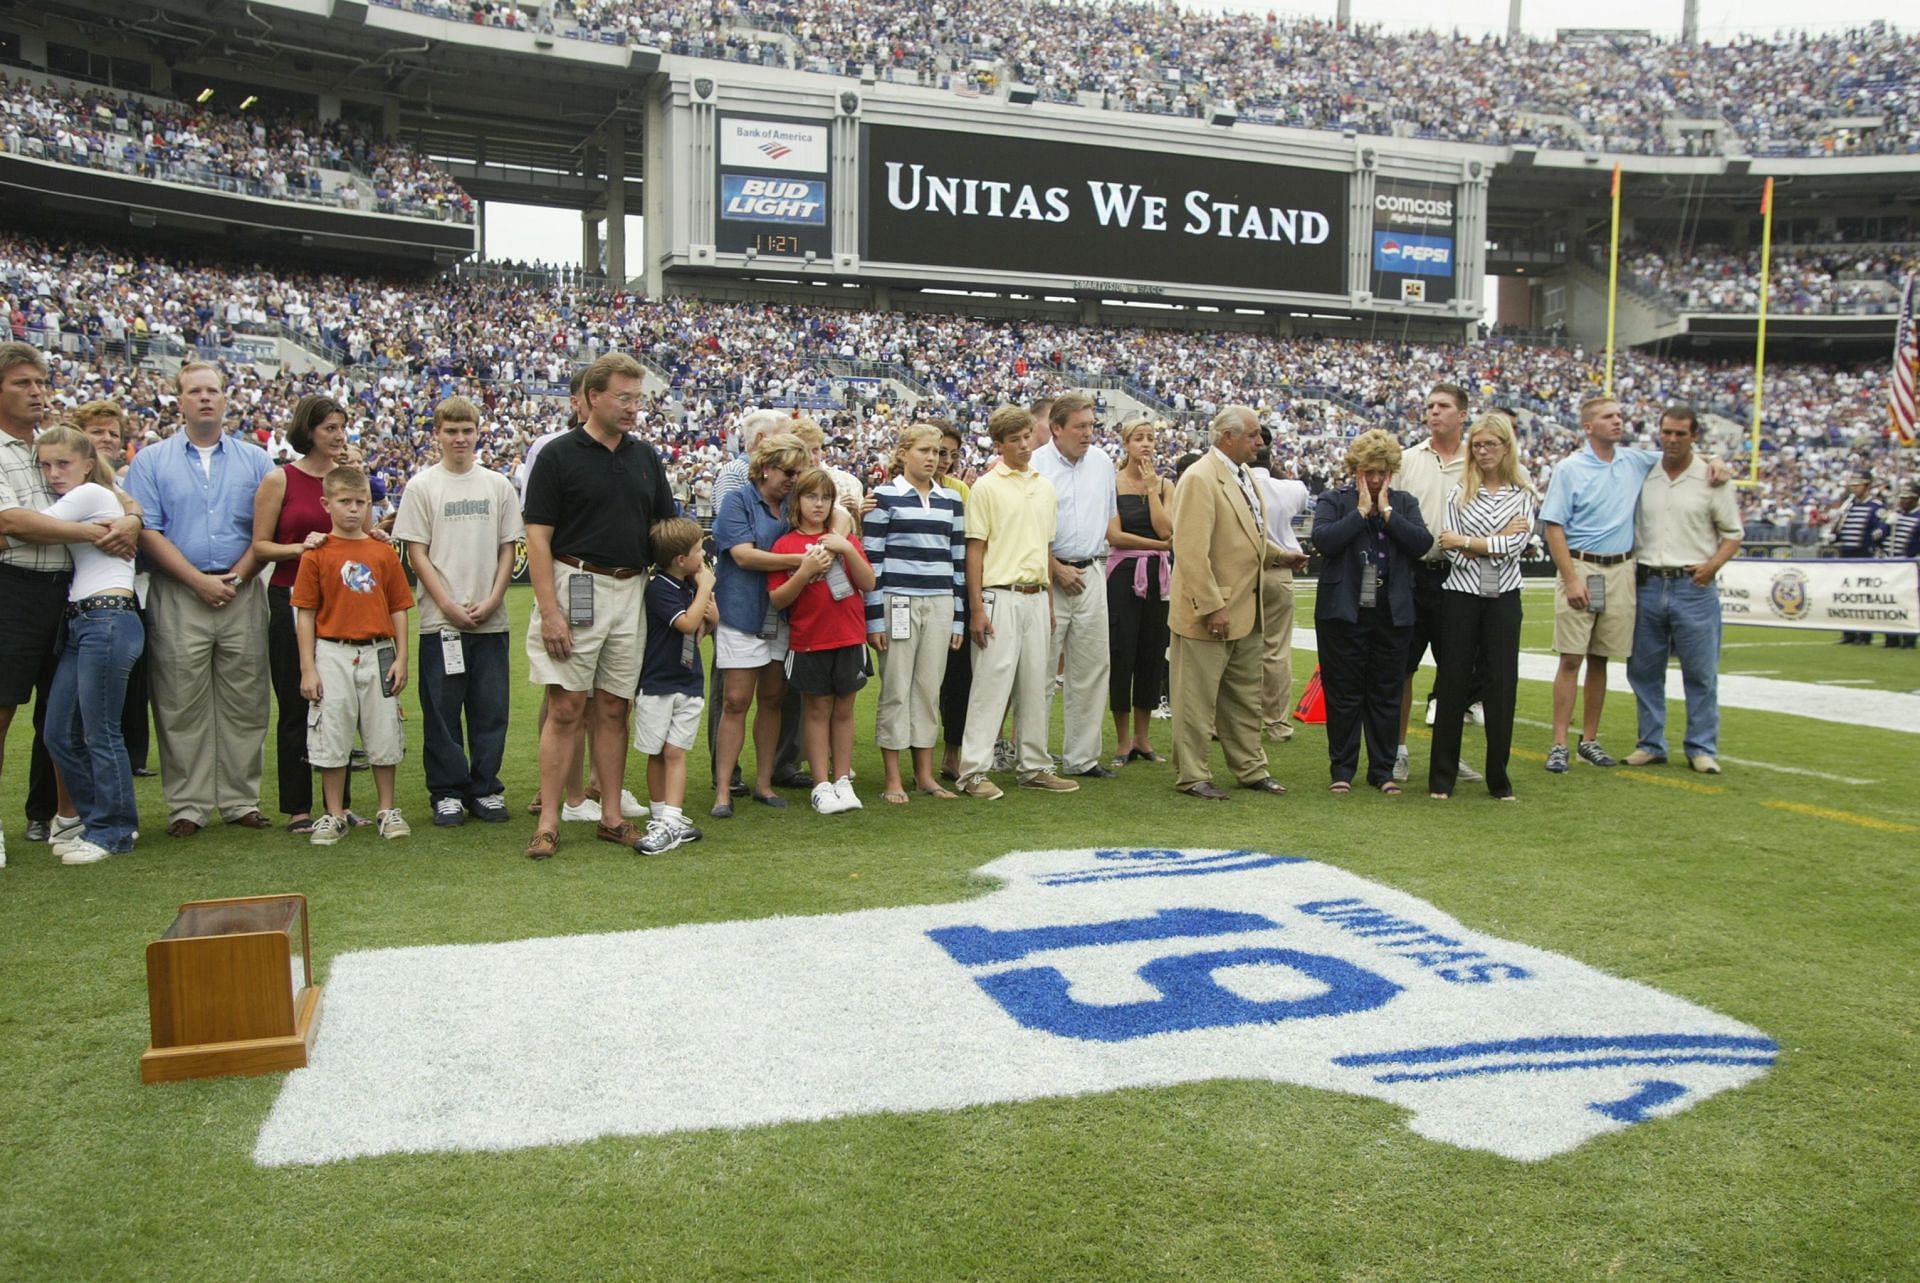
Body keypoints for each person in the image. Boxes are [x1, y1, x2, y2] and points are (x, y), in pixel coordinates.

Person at [519, 352, 677, 860]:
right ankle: (549, 820)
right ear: (592, 397)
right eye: (624, 397)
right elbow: (537, 539)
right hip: (574, 583)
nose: (634, 408)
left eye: (639, 398)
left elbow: (664, 530)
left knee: (614, 706)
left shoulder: (646, 457)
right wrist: (549, 610)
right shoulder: (558, 455)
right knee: (566, 706)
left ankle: (610, 816)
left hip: (630, 588)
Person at [0, 344, 142, 861]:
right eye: (22, 383)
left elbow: (26, 521)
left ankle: (91, 823)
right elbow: (12, 521)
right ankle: (86, 822)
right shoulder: (46, 465)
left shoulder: (68, 468)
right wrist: (109, 523)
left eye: (40, 382)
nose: (36, 391)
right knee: (33, 720)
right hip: (44, 603)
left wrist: (130, 519)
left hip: (86, 605)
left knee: (82, 725)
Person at [125, 360, 274, 837]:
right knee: (178, 701)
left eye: (213, 390)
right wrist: (197, 581)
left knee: (245, 699)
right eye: (195, 391)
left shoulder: (255, 461)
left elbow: (264, 531)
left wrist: (234, 577)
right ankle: (187, 806)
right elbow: (148, 531)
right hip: (178, 591)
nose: (205, 398)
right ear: (180, 400)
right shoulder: (151, 461)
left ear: (226, 399)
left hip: (242, 589)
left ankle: (239, 799)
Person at [393, 395, 524, 826]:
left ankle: (485, 788)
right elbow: (417, 553)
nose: (460, 438)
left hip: (491, 620)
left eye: (467, 430)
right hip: (440, 622)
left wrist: (493, 599)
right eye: (451, 431)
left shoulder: (497, 485)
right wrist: (447, 604)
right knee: (442, 712)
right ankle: (447, 791)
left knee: (490, 709)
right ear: (438, 435)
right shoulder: (422, 486)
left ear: (477, 432)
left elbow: (509, 549)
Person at [1166, 405, 1292, 800]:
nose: (1260, 442)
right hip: (1212, 611)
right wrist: (1211, 606)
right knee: (1195, 698)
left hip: (1245, 608)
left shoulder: (1241, 476)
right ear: (1228, 438)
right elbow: (1189, 549)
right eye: (1253, 435)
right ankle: (1193, 774)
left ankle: (1250, 768)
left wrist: (1277, 555)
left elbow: (1244, 534)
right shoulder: (1200, 478)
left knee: (1243, 696)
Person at [955, 405, 1078, 800]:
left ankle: (1035, 765)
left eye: (1027, 436)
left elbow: (1044, 546)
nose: (1024, 445)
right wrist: (976, 607)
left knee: (1036, 684)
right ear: (1000, 445)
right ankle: (973, 771)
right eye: (1015, 440)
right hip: (998, 596)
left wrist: (1050, 604)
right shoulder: (987, 487)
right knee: (991, 684)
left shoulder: (1044, 486)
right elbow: (975, 550)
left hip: (1037, 596)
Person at [1537, 396, 1664, 773]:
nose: (1618, 422)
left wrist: (1716, 463)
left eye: (1620, 416)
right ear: (1588, 427)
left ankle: (1588, 740)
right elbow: (1554, 526)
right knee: (1571, 658)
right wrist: (1571, 577)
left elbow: (1679, 461)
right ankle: (1559, 741)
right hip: (1583, 565)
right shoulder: (1570, 468)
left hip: (1621, 568)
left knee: (1601, 657)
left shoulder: (1634, 460)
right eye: (1609, 417)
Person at [36, 427, 143, 865]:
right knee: (58, 733)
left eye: (62, 463)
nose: (53, 473)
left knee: (99, 731)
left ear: (85, 462)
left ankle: (113, 830)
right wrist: (132, 512)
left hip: (107, 618)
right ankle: (97, 819)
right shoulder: (106, 496)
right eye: (45, 464)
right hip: (85, 621)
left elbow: (25, 524)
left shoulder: (89, 495)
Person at [292, 466, 414, 845]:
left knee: (383, 730)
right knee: (332, 729)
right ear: (327, 503)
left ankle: (386, 808)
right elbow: (306, 614)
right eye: (345, 502)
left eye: (361, 502)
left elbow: (399, 607)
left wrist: (402, 656)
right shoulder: (316, 554)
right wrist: (308, 667)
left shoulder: (381, 550)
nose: (353, 510)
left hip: (377, 648)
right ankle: (333, 813)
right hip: (333, 650)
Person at [250, 394, 355, 833]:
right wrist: (302, 547)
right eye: (329, 428)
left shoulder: (347, 478)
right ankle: (298, 807)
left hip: (339, 600)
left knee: (343, 702)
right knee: (297, 701)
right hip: (290, 594)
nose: (338, 436)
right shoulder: (281, 479)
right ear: (308, 430)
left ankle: (341, 805)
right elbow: (260, 545)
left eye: (341, 427)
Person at [1623, 406, 1744, 775]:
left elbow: (1733, 534)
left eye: (1680, 433)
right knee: (1643, 669)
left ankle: (1701, 746)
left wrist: (1712, 566)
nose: (1672, 439)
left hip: (1693, 584)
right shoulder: (1644, 472)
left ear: (1694, 437)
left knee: (1700, 671)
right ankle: (1650, 743)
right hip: (1646, 581)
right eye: (1667, 432)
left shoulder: (1712, 479)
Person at [1312, 429, 1432, 795]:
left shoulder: (1405, 503)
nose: (1376, 479)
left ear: (1391, 471)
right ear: (1355, 469)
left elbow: (1422, 544)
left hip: (1392, 610)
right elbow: (1324, 541)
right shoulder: (1335, 500)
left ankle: (1383, 770)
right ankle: (1342, 769)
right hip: (1343, 610)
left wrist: (1389, 516)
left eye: (1381, 471)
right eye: (1368, 471)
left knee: (1386, 692)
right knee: (1344, 692)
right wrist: (1362, 513)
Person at [1427, 415, 1535, 800]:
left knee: (1502, 685)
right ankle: (1442, 777)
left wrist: (1472, 542)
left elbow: (1517, 548)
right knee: (1452, 683)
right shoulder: (1459, 492)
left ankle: (1498, 778)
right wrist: (1494, 540)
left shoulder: (1524, 494)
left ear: (1506, 447)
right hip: (1460, 595)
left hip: (1504, 598)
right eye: (1478, 445)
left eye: (1491, 444)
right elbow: (1448, 546)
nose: (1484, 451)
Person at [710, 432, 811, 818]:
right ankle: (723, 789)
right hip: (740, 611)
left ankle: (764, 783)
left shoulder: (792, 505)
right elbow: (743, 556)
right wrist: (797, 562)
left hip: (783, 614)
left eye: (797, 473)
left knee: (772, 700)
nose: (792, 479)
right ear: (765, 467)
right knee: (736, 701)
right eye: (787, 472)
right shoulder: (737, 500)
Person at [863, 423, 965, 804]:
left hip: (938, 602)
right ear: (903, 453)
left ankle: (924, 775)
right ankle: (893, 777)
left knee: (927, 690)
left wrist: (957, 617)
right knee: (896, 689)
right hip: (897, 601)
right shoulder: (883, 499)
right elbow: (872, 563)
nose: (932, 458)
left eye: (937, 452)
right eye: (924, 450)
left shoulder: (951, 501)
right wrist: (874, 619)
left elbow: (957, 562)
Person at [1391, 382, 1485, 785]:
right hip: (1414, 574)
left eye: (1444, 406)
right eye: (1430, 406)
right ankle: (1397, 751)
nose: (1434, 412)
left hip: (1463, 574)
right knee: (1402, 669)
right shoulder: (1408, 459)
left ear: (1462, 414)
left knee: (1456, 670)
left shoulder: (1479, 462)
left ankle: (1450, 755)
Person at [770, 468, 877, 814]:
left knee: (844, 710)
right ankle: (820, 783)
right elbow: (778, 599)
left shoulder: (842, 538)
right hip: (809, 641)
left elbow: (868, 582)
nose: (818, 504)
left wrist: (846, 547)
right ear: (796, 501)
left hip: (849, 636)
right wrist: (803, 571)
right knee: (816, 710)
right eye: (811, 497)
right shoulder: (785, 544)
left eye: (825, 498)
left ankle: (843, 778)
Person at [1032, 392, 1118, 780]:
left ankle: (1082, 758)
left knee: (1091, 669)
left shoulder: (1101, 463)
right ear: (1056, 428)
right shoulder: (1035, 465)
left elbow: (1107, 519)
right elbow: (1025, 530)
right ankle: (1033, 758)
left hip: (1091, 571)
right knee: (1041, 670)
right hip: (1046, 575)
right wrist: (1054, 567)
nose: (1088, 433)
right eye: (1080, 426)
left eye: (1091, 425)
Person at [71, 400, 153, 779]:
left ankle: (121, 776)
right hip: (75, 602)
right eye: (97, 432)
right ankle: (53, 808)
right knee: (68, 718)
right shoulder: (69, 483)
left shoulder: (119, 486)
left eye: (113, 433)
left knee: (112, 705)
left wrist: (134, 518)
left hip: (119, 597)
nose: (106, 439)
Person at [632, 516, 715, 854]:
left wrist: (704, 594)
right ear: (680, 560)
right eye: (698, 551)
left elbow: (712, 619)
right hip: (657, 683)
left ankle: (672, 818)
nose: (704, 556)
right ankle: (660, 815)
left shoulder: (691, 585)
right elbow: (688, 623)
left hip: (688, 683)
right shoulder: (660, 588)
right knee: (656, 752)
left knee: (675, 751)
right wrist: (706, 587)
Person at [1106, 419, 1173, 766]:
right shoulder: (1112, 483)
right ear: (1126, 444)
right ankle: (1121, 740)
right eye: (1138, 438)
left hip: (1158, 578)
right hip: (1123, 575)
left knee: (1151, 653)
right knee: (1122, 652)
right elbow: (1115, 536)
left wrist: (1151, 489)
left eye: (1150, 438)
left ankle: (1142, 738)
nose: (1145, 444)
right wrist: (1156, 545)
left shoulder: (1163, 484)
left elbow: (1168, 530)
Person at [1255, 431, 1312, 744]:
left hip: (1243, 571)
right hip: (1279, 571)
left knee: (1233, 649)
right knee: (1275, 650)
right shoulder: (1290, 488)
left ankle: (1223, 723)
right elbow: (1297, 492)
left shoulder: (1233, 484)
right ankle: (1276, 723)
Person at [933, 422, 976, 783]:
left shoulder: (960, 490)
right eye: (939, 452)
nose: (944, 460)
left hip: (953, 591)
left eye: (951, 454)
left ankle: (952, 752)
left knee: (958, 677)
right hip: (914, 596)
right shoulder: (892, 490)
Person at [1828, 470, 1888, 644]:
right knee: (1846, 596)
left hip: (1864, 556)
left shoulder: (1876, 507)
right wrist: (1835, 536)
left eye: (1858, 485)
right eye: (1852, 485)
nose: (1854, 489)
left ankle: (1864, 634)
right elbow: (1841, 529)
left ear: (1867, 486)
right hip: (1846, 555)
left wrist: (1878, 534)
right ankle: (1849, 633)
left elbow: (1880, 531)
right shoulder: (1848, 506)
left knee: (1863, 597)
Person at [1888, 480, 1920, 649]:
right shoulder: (1894, 515)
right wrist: (1885, 526)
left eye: (1907, 498)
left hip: (1910, 566)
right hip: (1891, 564)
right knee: (1889, 602)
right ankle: (1891, 639)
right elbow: (1877, 538)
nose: (1903, 501)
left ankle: (1908, 639)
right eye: (1901, 497)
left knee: (1908, 603)